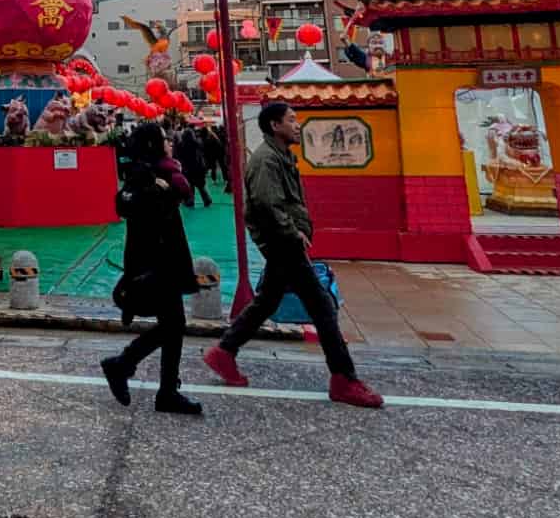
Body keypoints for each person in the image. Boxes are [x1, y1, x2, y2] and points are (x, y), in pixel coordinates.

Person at [202, 101, 383, 408]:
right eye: (291, 120)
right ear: (275, 125)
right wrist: (291, 231)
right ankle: (344, 379)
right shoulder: (266, 160)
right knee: (323, 306)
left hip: (284, 241)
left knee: (267, 301)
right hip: (283, 243)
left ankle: (224, 351)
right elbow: (264, 203)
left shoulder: (281, 156)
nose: (297, 125)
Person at [100, 120, 203, 416]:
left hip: (163, 259)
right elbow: (146, 210)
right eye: (164, 138)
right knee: (174, 325)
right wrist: (168, 191)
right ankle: (125, 366)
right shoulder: (146, 176)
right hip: (156, 263)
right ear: (152, 145)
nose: (170, 141)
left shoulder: (163, 173)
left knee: (174, 325)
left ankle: (161, 387)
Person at [173, 124, 211, 209]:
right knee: (201, 186)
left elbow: (177, 156)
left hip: (187, 169)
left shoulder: (181, 145)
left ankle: (191, 201)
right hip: (198, 168)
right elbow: (201, 155)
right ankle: (207, 200)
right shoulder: (197, 143)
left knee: (190, 187)